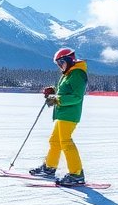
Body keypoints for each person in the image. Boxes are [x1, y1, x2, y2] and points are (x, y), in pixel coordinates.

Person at [27, 47, 88, 186]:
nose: (60, 66)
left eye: (61, 63)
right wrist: (53, 91)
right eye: (58, 64)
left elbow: (76, 97)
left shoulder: (77, 73)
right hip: (62, 113)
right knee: (54, 141)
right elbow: (65, 91)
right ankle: (49, 167)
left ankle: (76, 174)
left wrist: (57, 99)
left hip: (70, 115)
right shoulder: (69, 73)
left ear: (68, 60)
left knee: (66, 142)